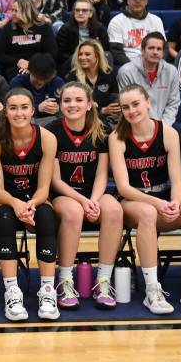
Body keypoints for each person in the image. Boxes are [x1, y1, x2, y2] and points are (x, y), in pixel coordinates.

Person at [109, 85, 181, 315]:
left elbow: (178, 181)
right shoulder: (117, 137)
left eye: (136, 104)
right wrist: (158, 204)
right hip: (133, 202)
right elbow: (123, 187)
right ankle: (152, 289)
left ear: (148, 102)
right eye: (125, 107)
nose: (131, 111)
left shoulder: (169, 133)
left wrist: (176, 203)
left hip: (163, 199)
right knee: (148, 213)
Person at [0, 87, 58, 320]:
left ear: (33, 110)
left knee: (46, 217)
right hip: (4, 199)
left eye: (24, 107)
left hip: (36, 199)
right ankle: (12, 291)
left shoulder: (46, 138)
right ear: (5, 111)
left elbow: (45, 188)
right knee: (5, 219)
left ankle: (47, 290)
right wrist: (16, 204)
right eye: (13, 108)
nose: (19, 113)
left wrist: (31, 204)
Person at [50, 81, 123, 310]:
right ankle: (65, 279)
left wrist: (93, 198)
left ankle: (103, 279)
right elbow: (55, 180)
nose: (73, 105)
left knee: (113, 209)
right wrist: (83, 201)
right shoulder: (52, 131)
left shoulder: (101, 131)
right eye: (67, 101)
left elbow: (102, 174)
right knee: (73, 212)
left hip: (93, 191)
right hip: (63, 193)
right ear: (61, 105)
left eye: (79, 100)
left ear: (90, 104)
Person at [116, 33, 181, 128]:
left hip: (164, 124)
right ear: (142, 50)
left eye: (159, 49)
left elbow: (173, 103)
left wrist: (163, 127)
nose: (155, 52)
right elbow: (127, 105)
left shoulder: (171, 71)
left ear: (163, 53)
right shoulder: (126, 72)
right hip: (136, 125)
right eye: (151, 48)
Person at [0, 0, 57, 80]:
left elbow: (52, 53)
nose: (12, 13)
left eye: (16, 11)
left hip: (40, 66)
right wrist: (17, 61)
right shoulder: (8, 28)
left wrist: (33, 64)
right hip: (16, 67)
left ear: (27, 12)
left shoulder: (43, 27)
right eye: (12, 10)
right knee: (22, 79)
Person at [66, 39, 120, 127]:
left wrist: (114, 108)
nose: (82, 57)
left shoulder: (108, 74)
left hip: (107, 120)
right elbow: (72, 106)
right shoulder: (73, 77)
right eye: (80, 54)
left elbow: (114, 97)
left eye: (87, 54)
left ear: (97, 56)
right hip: (82, 121)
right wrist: (101, 110)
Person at [108, 0, 164, 67]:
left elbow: (163, 47)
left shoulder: (156, 20)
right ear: (128, 0)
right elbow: (116, 51)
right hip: (128, 65)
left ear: (146, 1)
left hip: (153, 63)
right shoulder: (116, 21)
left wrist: (154, 64)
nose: (137, 1)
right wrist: (133, 67)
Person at [55, 0, 111, 73]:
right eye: (77, 10)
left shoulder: (100, 28)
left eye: (84, 10)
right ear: (73, 12)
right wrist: (80, 59)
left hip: (95, 61)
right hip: (73, 62)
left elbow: (105, 49)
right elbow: (62, 54)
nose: (80, 13)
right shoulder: (65, 29)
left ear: (90, 13)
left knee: (108, 55)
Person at [8, 52, 62, 125]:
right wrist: (38, 108)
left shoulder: (57, 82)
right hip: (28, 121)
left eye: (45, 79)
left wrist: (58, 109)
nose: (40, 82)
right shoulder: (17, 83)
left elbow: (65, 106)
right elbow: (15, 111)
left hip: (52, 120)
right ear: (29, 70)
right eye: (37, 77)